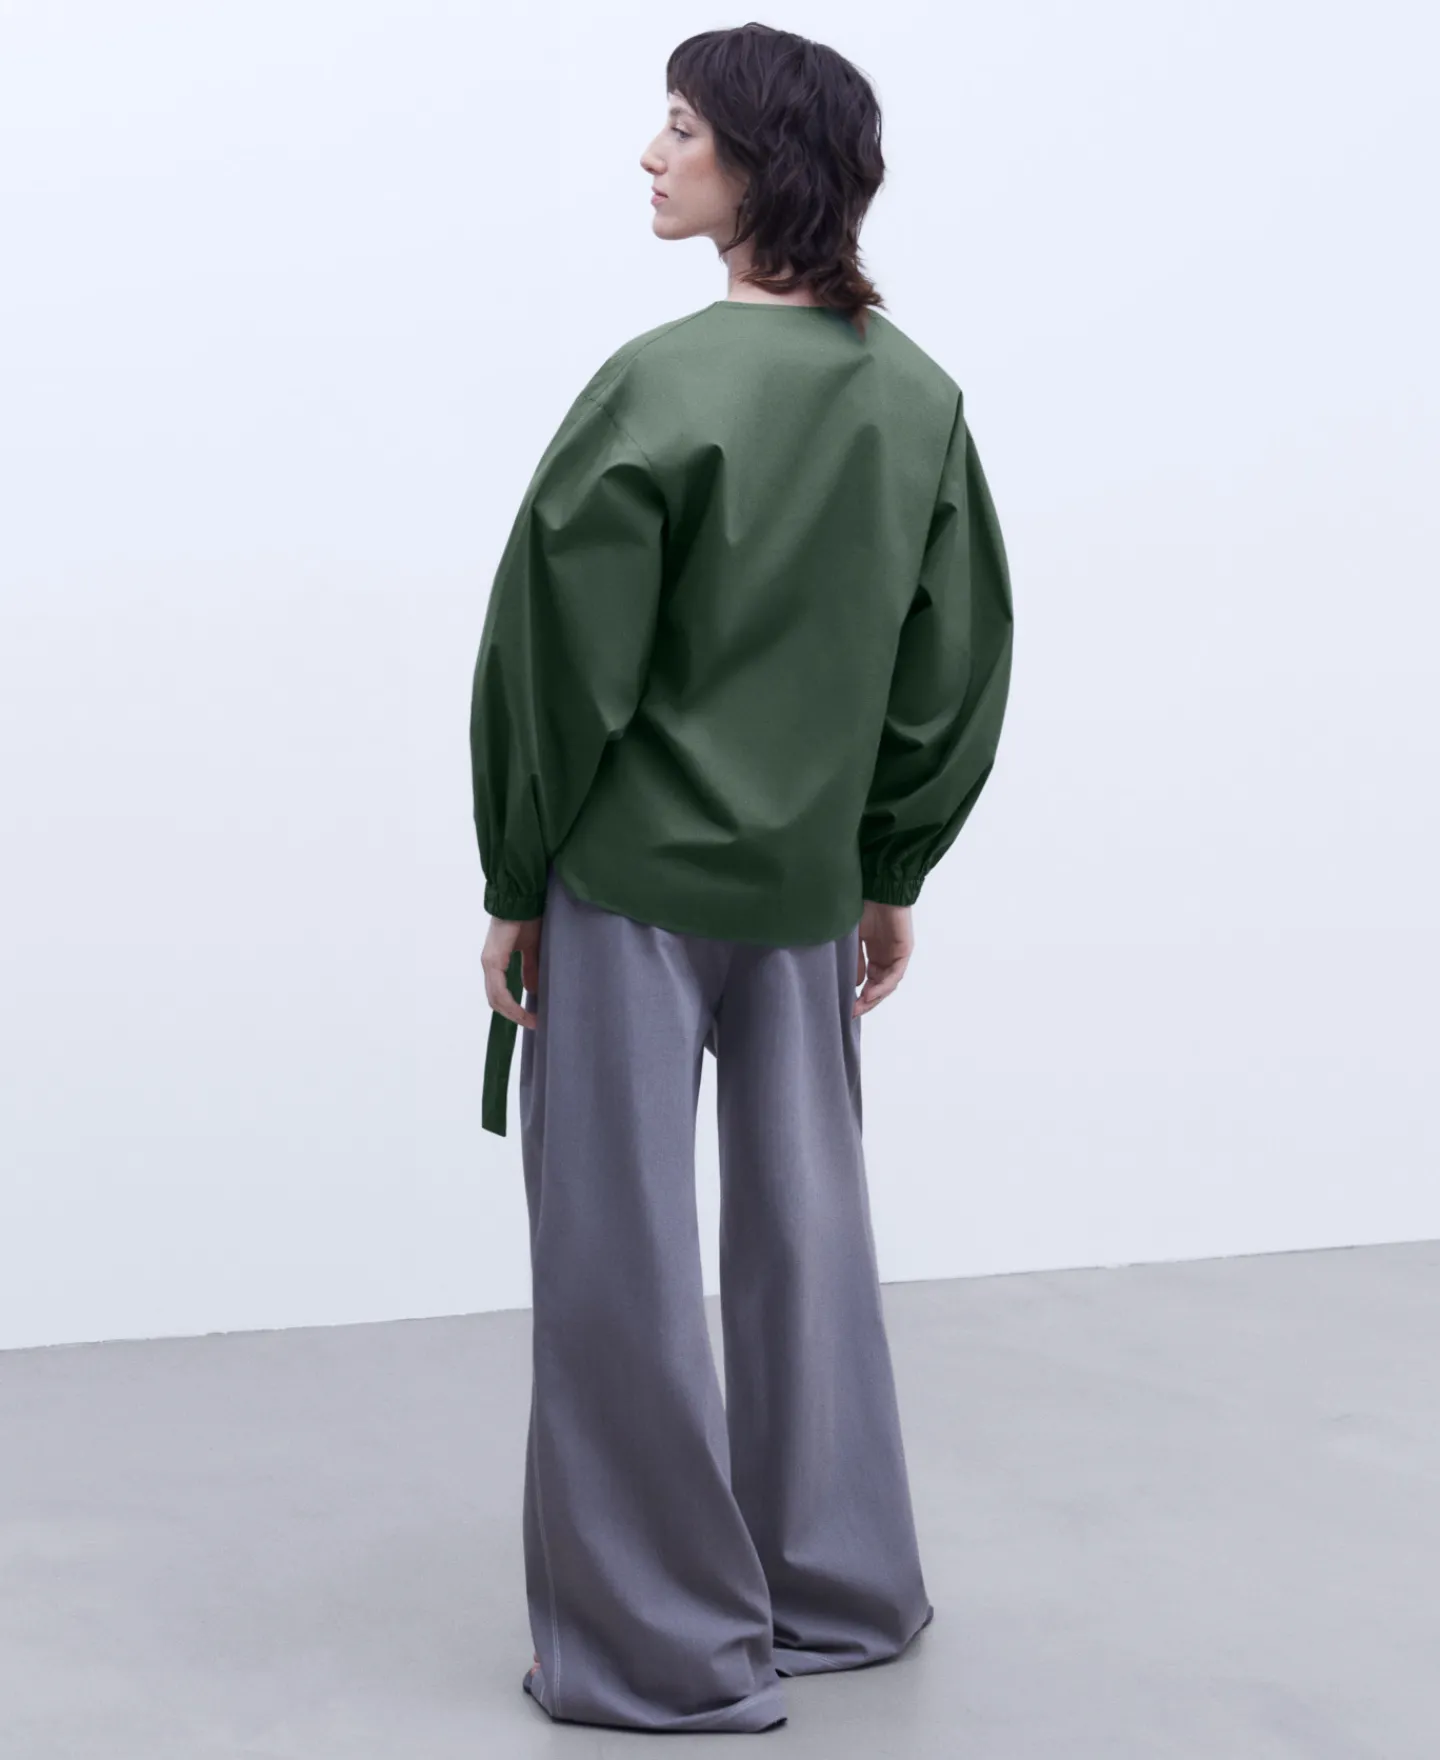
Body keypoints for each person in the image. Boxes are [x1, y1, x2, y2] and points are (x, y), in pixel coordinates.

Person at [468, 24, 1014, 1735]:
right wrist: (885, 862)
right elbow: (950, 667)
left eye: (682, 128)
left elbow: (558, 659)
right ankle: (837, 1591)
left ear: (759, 165)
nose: (653, 156)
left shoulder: (660, 387)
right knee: (809, 1241)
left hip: (629, 881)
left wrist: (514, 874)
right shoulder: (918, 399)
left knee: (622, 1266)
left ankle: (662, 1650)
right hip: (802, 891)